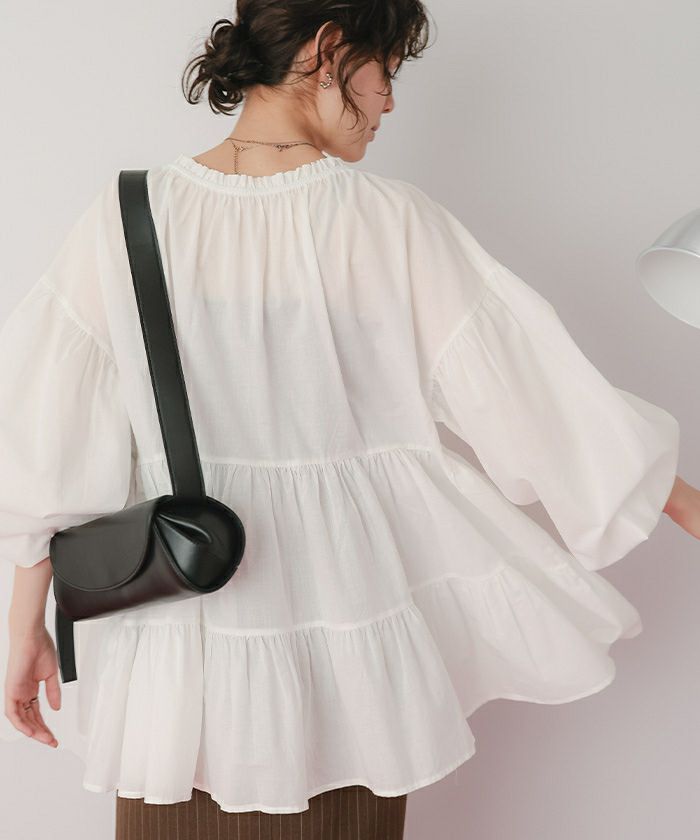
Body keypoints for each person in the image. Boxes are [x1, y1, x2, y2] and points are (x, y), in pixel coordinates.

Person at [2, 2, 699, 838]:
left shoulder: (124, 220)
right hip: (349, 670)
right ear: (328, 50)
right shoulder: (389, 222)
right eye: (386, 71)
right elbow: (535, 395)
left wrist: (25, 626)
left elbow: (45, 444)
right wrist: (685, 504)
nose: (390, 101)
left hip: (178, 661)